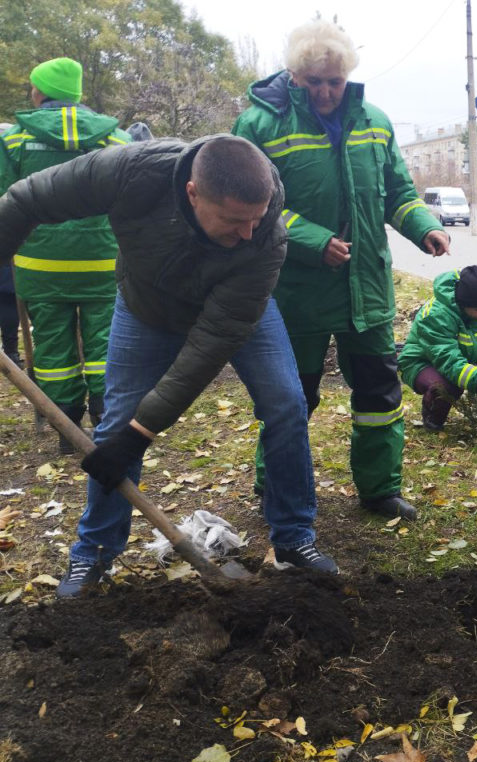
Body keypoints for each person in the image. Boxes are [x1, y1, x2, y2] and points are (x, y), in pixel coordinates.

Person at [0, 134, 339, 598]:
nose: (247, 233)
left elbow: (211, 344)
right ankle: (94, 554)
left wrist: (144, 433)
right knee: (117, 421)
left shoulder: (266, 237)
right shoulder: (129, 172)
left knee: (285, 404)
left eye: (256, 220)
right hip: (147, 310)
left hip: (237, 317)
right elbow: (26, 199)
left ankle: (294, 539)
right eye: (235, 220)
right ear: (193, 192)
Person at [233, 19, 449, 522]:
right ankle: (274, 484)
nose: (327, 91)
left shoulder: (373, 120)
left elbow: (397, 192)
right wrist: (313, 241)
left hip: (367, 289)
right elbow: (253, 207)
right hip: (297, 292)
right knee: (292, 399)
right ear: (295, 75)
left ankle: (379, 490)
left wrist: (423, 227)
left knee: (378, 395)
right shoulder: (259, 127)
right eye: (315, 82)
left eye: (335, 80)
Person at [0, 57, 131, 452]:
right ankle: (108, 423)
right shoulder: (116, 140)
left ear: (40, 91)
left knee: (53, 347)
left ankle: (66, 431)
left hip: (40, 266)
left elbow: (5, 202)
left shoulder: (13, 142)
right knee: (104, 344)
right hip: (102, 263)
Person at [398, 265, 477, 431]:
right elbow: (450, 363)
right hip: (424, 362)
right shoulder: (436, 317)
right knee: (445, 386)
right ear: (463, 304)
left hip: (468, 355)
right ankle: (433, 417)